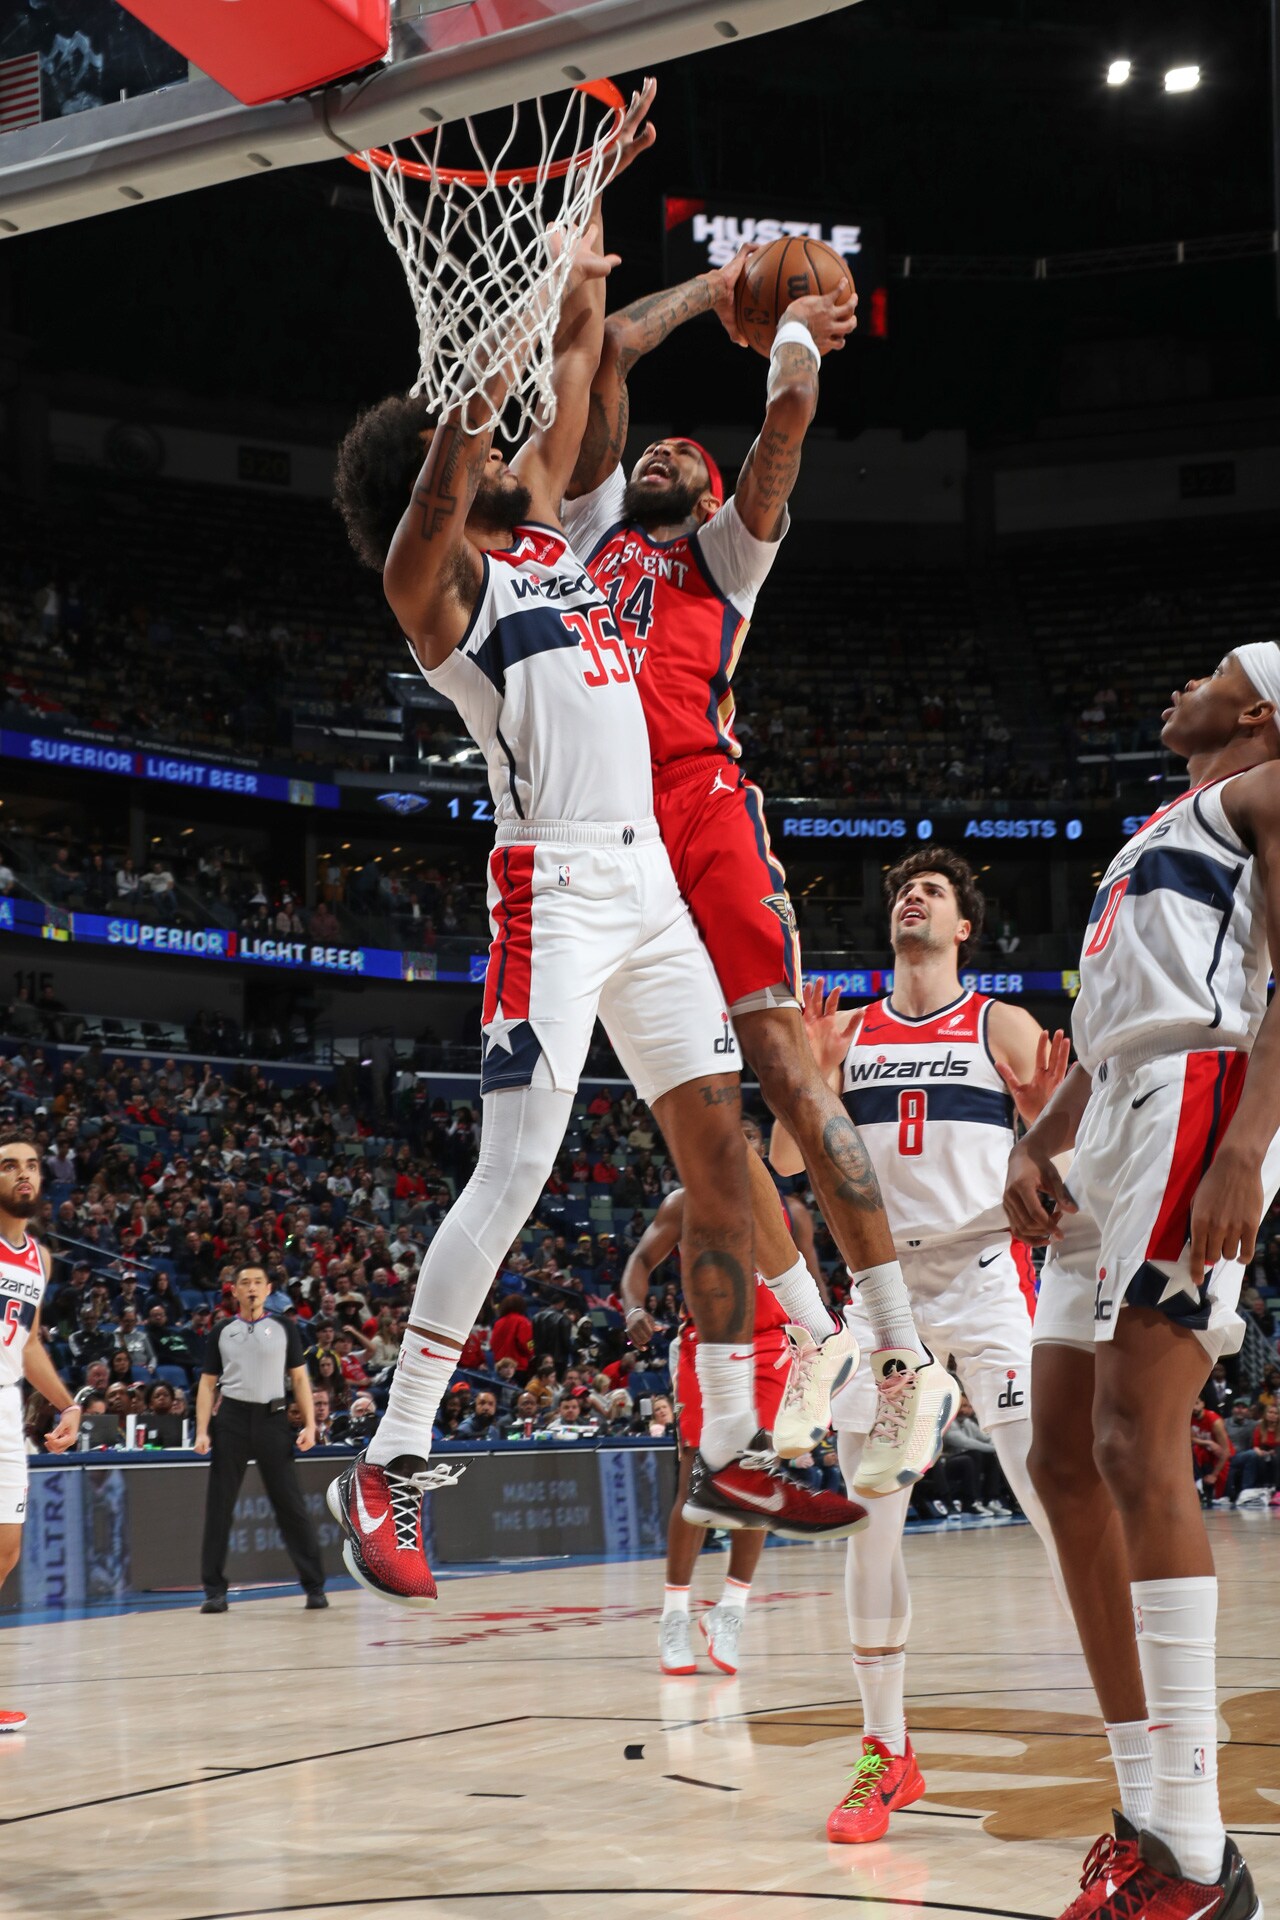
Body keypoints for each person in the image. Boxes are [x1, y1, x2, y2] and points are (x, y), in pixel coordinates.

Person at [325, 82, 866, 1609]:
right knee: (515, 1170)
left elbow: (585, 347)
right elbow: (453, 473)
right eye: (483, 460)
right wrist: (467, 381)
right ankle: (394, 1459)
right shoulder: (440, 590)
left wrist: (580, 224)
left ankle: (788, 1403)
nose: (523, 455)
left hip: (644, 885)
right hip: (551, 885)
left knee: (719, 1147)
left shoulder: (558, 541)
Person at [560, 252, 956, 1501]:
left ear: (712, 490)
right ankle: (792, 1362)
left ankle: (896, 1347)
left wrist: (790, 330)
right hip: (613, 839)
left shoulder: (723, 560)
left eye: (683, 452)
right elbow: (607, 353)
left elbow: (784, 424)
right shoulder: (584, 540)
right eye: (649, 455)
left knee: (786, 1070)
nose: (659, 456)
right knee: (710, 1152)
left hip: (703, 807)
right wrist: (707, 287)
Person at [1005, 644, 1280, 1918]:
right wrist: (1033, 1136)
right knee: (1056, 1454)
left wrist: (1243, 1147)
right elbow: (1102, 1016)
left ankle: (1193, 1844)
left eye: (1211, 672)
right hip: (1110, 1108)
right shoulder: (1154, 829)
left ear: (1261, 712)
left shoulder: (1257, 795)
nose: (1181, 682)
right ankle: (1145, 1821)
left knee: (1133, 1439)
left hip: (1196, 1096)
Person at [771, 847, 1069, 1844]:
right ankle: (883, 1753)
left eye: (932, 892)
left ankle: (1140, 1715)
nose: (912, 897)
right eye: (903, 889)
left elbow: (1061, 1169)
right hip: (880, 1295)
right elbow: (780, 1160)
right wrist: (806, 1082)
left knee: (1047, 1488)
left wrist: (1041, 1124)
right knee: (870, 1522)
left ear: (962, 927)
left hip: (982, 1284)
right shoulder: (846, 1030)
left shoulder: (999, 1023)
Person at [621, 1114, 854, 1677]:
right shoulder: (685, 1202)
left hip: (776, 1343)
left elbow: (814, 1283)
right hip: (708, 1343)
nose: (745, 1151)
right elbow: (639, 1263)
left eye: (752, 1141)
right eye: (735, 1141)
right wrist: (634, 1308)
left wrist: (819, 1346)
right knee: (696, 1475)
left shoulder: (789, 1211)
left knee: (759, 1476)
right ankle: (674, 1613)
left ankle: (731, 1610)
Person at [0, 1129, 82, 1729]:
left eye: (31, 1164)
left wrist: (65, 1404)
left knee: (7, 1545)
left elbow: (28, 1344)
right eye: (9, 1166)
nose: (23, 1174)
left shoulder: (39, 1259)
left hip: (6, 1406)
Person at [194, 1264, 326, 1613]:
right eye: (244, 1283)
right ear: (233, 1291)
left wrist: (310, 1426)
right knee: (219, 1507)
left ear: (268, 1289)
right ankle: (214, 1591)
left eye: (257, 1282)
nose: (250, 1288)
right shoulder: (222, 1331)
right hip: (232, 1419)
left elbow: (299, 1380)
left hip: (273, 1419)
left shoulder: (284, 1327)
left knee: (290, 1505)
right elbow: (208, 1384)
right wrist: (202, 1430)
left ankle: (314, 1586)